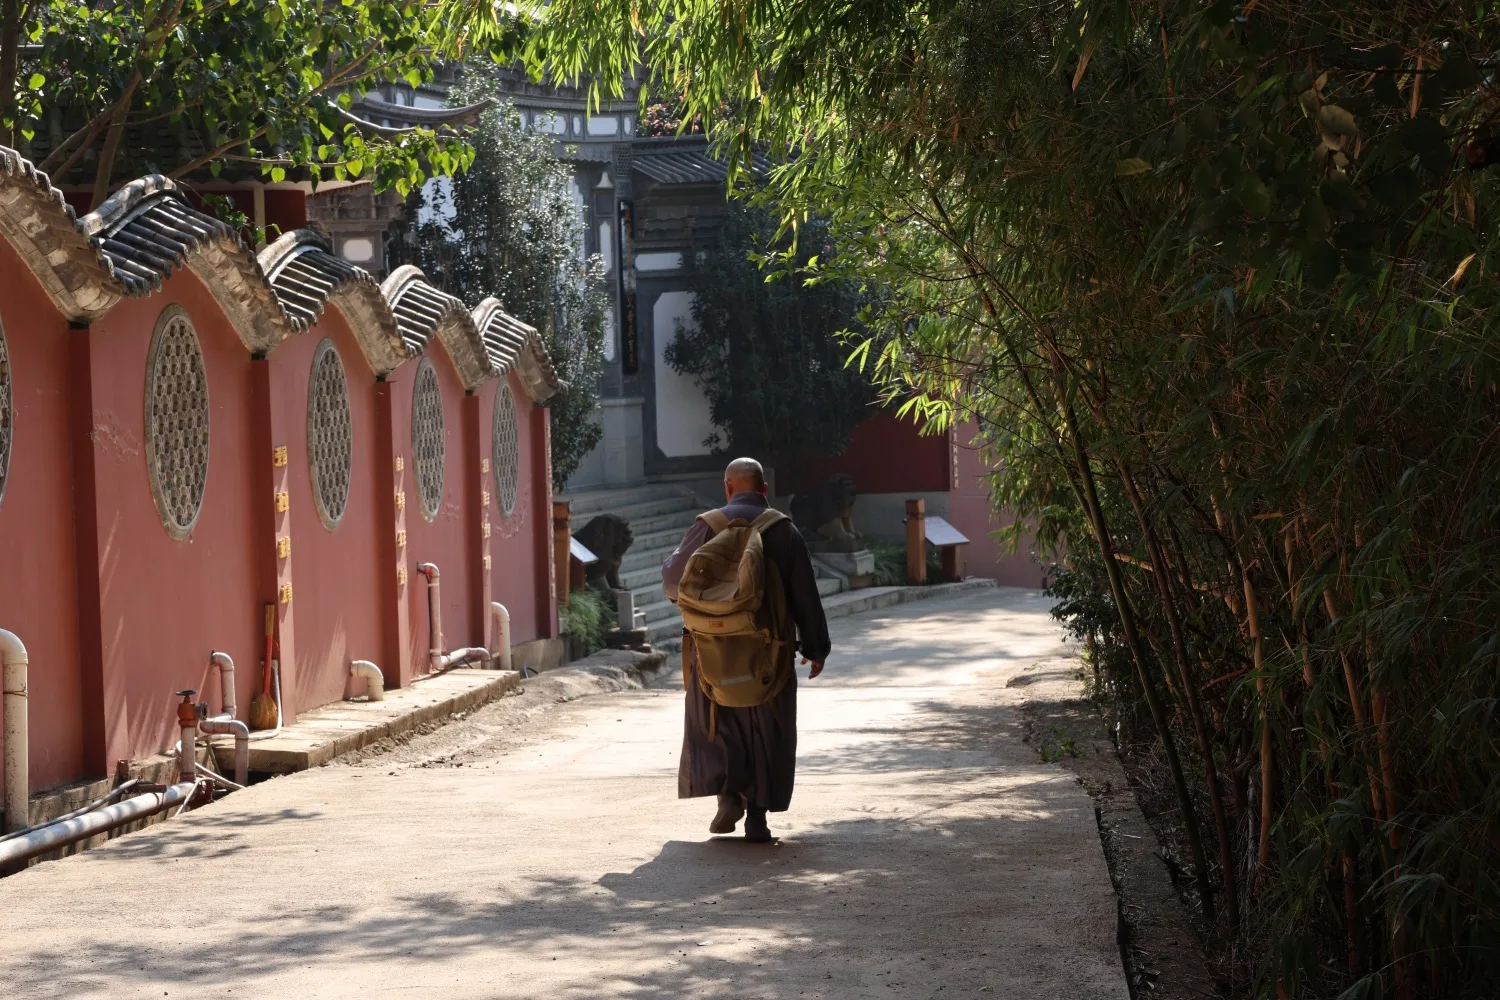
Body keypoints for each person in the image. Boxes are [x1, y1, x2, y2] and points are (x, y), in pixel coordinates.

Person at [662, 457, 831, 842]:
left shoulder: (706, 527)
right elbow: (805, 593)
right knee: (768, 730)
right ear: (764, 489)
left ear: (727, 487)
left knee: (718, 723)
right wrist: (815, 647)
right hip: (770, 652)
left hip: (711, 652)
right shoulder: (783, 530)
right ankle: (757, 816)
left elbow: (674, 581)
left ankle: (727, 796)